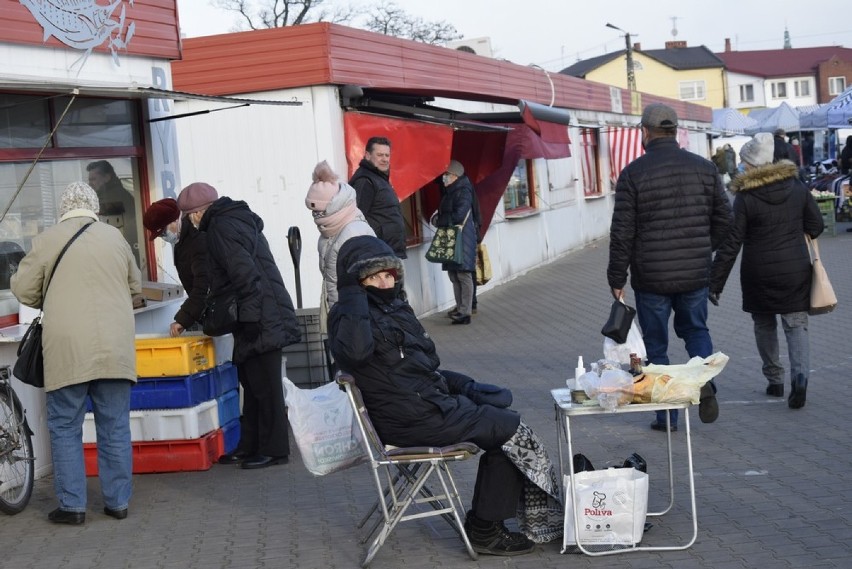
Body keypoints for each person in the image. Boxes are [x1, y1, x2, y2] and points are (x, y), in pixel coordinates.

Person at [328, 235, 562, 556]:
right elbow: (355, 352)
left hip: (425, 408)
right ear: (355, 282)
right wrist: (352, 296)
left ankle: (486, 522)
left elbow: (420, 370)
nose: (384, 282)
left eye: (388, 275)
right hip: (412, 421)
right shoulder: (349, 316)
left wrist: (466, 386)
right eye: (373, 277)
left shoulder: (393, 308)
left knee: (503, 422)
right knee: (510, 430)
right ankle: (484, 529)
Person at [11, 181, 141, 524]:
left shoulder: (47, 240)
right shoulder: (115, 238)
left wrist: (52, 298)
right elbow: (135, 287)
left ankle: (72, 507)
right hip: (115, 346)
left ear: (64, 208)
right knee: (114, 427)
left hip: (68, 347)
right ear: (94, 206)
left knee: (65, 426)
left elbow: (24, 290)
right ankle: (118, 503)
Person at [607, 103, 732, 432]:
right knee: (695, 331)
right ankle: (703, 379)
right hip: (694, 272)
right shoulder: (705, 169)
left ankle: (666, 416)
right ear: (675, 131)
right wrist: (704, 247)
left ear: (645, 133)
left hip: (652, 278)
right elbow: (725, 220)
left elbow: (622, 233)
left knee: (655, 345)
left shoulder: (633, 174)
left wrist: (616, 277)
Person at [177, 182, 301, 469]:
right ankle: (250, 445)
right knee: (252, 382)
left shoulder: (220, 228)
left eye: (189, 215)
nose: (190, 222)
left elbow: (245, 276)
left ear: (197, 213)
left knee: (265, 387)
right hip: (261, 311)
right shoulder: (233, 219)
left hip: (259, 315)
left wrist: (250, 320)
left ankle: (274, 450)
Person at [710, 133, 824, 409]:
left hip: (757, 272)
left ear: (753, 164)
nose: (743, 168)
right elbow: (817, 225)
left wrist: (715, 282)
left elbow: (732, 242)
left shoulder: (746, 198)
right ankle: (800, 381)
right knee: (796, 325)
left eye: (746, 163)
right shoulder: (797, 188)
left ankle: (775, 381)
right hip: (795, 270)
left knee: (764, 325)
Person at [304, 160, 375, 324]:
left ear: (331, 206)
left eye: (317, 210)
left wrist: (345, 320)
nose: (315, 215)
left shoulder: (353, 232)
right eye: (312, 210)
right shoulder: (328, 233)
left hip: (357, 316)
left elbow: (367, 282)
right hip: (343, 313)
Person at [142, 198, 209, 336]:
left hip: (213, 311)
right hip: (202, 311)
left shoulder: (197, 240)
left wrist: (183, 320)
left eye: (163, 232)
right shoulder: (182, 241)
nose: (163, 237)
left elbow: (203, 285)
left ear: (174, 220)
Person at [434, 160, 478, 325]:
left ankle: (465, 311)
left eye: (447, 175)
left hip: (462, 238)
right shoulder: (450, 191)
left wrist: (441, 220)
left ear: (455, 176)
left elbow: (459, 214)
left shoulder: (463, 191)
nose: (444, 178)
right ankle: (460, 308)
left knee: (463, 274)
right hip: (452, 236)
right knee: (454, 274)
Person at [348, 136, 407, 258]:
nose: (385, 159)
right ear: (368, 155)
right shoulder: (365, 181)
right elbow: (356, 219)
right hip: (378, 253)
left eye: (387, 155)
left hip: (388, 250)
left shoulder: (379, 178)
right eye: (380, 155)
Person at [86, 160, 139, 261]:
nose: (90, 183)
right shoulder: (111, 195)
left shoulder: (112, 198)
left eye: (93, 179)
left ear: (107, 177)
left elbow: (113, 228)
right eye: (89, 180)